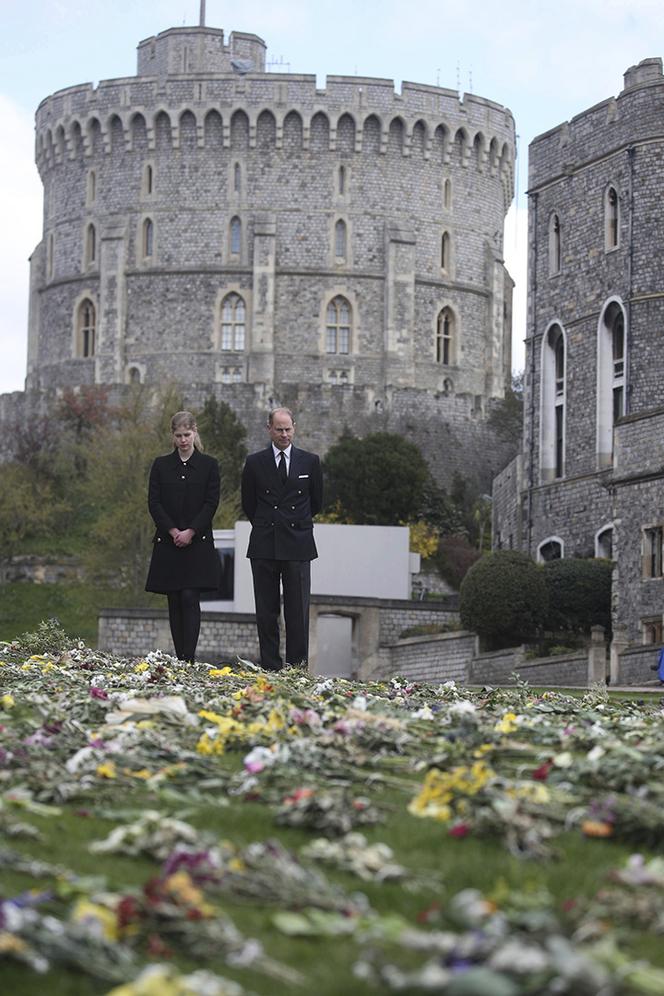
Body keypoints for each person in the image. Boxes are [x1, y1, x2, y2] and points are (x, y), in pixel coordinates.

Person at [241, 407, 323, 671]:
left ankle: (297, 668)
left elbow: (316, 502)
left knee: (297, 612)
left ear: (294, 428)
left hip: (297, 545)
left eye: (288, 429)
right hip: (265, 544)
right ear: (269, 430)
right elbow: (249, 503)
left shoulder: (310, 461)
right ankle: (270, 667)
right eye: (279, 429)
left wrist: (294, 524)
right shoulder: (254, 463)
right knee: (266, 612)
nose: (284, 434)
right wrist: (268, 524)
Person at [145, 411, 221, 662]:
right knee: (174, 598)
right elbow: (154, 503)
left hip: (197, 541)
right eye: (178, 436)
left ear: (195, 432)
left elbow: (211, 503)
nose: (183, 440)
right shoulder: (161, 465)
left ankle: (189, 657)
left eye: (187, 435)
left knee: (190, 596)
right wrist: (173, 530)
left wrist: (191, 531)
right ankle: (180, 657)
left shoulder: (209, 465)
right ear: (172, 436)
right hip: (169, 541)